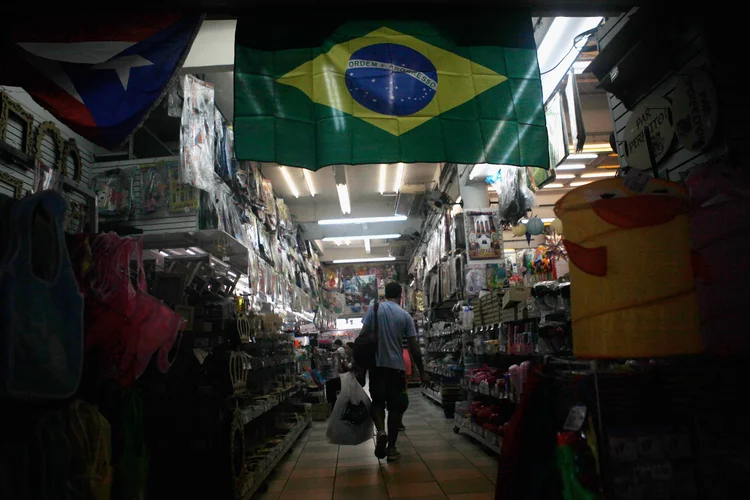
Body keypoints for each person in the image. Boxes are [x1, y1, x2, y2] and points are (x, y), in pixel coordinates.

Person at [360, 282, 428, 461]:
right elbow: (414, 347)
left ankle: (380, 431)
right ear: (401, 295)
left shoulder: (373, 310)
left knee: (377, 403)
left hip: (376, 367)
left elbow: (362, 336)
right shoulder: (404, 315)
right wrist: (422, 371)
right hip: (397, 368)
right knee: (396, 407)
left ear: (384, 294)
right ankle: (391, 448)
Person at [325, 339, 347, 410]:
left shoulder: (340, 349)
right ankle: (333, 403)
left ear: (337, 344)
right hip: (339, 372)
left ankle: (332, 404)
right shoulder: (341, 349)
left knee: (331, 386)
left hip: (338, 373)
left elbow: (335, 353)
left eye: (335, 344)